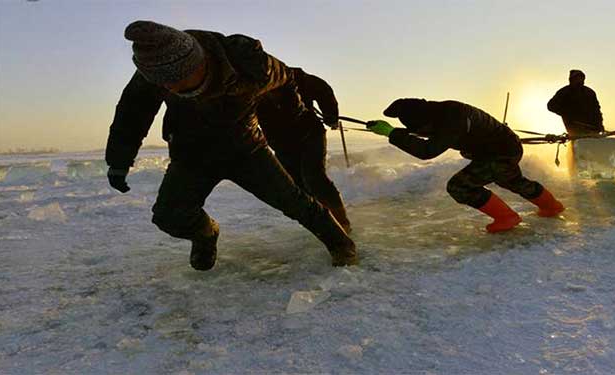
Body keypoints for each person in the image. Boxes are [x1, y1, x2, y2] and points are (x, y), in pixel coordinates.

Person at [105, 20, 357, 270]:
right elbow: (131, 114)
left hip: (246, 149)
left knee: (294, 201)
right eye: (163, 85)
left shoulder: (250, 63)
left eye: (177, 81)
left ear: (198, 64)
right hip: (191, 152)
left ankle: (341, 244)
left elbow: (289, 78)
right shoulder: (155, 69)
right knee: (168, 216)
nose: (170, 88)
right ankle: (205, 234)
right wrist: (118, 162)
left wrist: (293, 118)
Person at [365, 98, 564, 233]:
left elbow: (427, 151)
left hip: (499, 152)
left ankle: (507, 217)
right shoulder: (442, 112)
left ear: (424, 120)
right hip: (502, 149)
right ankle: (551, 206)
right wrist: (397, 132)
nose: (423, 132)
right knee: (511, 180)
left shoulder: (452, 119)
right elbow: (433, 135)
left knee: (459, 186)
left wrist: (392, 134)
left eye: (420, 129)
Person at [256, 68, 351, 233]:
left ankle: (342, 224)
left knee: (314, 177)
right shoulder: (237, 85)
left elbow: (322, 90)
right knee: (297, 186)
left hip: (310, 135)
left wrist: (331, 117)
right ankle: (324, 223)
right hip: (281, 143)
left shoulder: (287, 74)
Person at [547, 69, 604, 136]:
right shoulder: (564, 92)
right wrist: (567, 113)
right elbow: (550, 106)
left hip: (593, 129)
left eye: (581, 78)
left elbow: (597, 110)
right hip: (574, 129)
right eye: (576, 78)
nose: (579, 80)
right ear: (571, 80)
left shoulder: (589, 92)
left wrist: (600, 125)